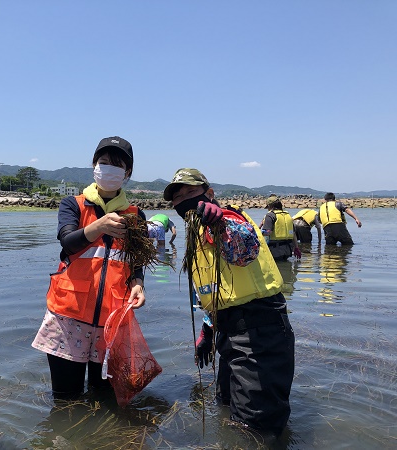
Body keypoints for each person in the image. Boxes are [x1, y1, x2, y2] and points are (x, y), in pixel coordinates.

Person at [163, 168, 294, 436]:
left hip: (259, 330)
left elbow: (245, 249)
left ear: (209, 194)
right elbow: (216, 289)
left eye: (191, 192)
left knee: (256, 426)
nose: (184, 200)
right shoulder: (196, 234)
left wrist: (219, 223)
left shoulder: (227, 219)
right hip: (228, 331)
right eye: (178, 197)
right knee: (227, 406)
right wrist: (208, 329)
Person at [32, 136, 146, 400]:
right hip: (68, 317)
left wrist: (138, 282)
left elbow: (136, 260)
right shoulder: (73, 204)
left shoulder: (135, 214)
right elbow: (68, 243)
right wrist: (99, 226)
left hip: (112, 320)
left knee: (103, 397)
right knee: (65, 398)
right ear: (94, 165)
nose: (108, 168)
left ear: (127, 173)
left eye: (117, 165)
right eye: (103, 162)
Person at [260, 195, 301, 261]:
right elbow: (293, 234)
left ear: (270, 206)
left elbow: (267, 232)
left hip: (275, 249)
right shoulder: (287, 215)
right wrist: (296, 248)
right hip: (288, 250)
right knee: (287, 268)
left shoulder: (270, 215)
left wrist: (258, 233)